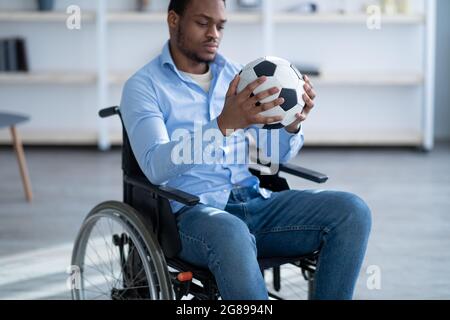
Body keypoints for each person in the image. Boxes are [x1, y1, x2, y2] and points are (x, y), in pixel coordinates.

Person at [120, 0, 371, 300]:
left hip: (254, 202)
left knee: (352, 211)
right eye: (202, 23)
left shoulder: (239, 75)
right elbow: (155, 166)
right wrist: (223, 125)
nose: (214, 33)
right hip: (190, 215)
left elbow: (274, 155)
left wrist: (291, 125)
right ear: (173, 19)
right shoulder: (143, 86)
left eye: (220, 26)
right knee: (231, 231)